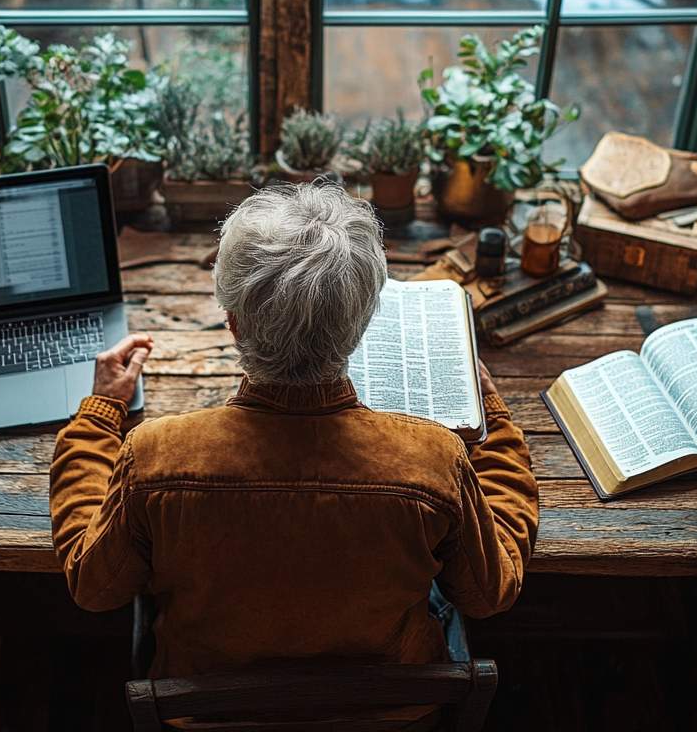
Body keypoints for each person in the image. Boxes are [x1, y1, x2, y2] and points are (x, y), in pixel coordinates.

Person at [49, 181, 538, 677]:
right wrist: (492, 420)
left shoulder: (154, 456)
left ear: (234, 322)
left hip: (213, 718)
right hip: (388, 717)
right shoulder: (435, 460)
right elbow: (489, 594)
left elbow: (94, 587)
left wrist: (99, 414)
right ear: (363, 322)